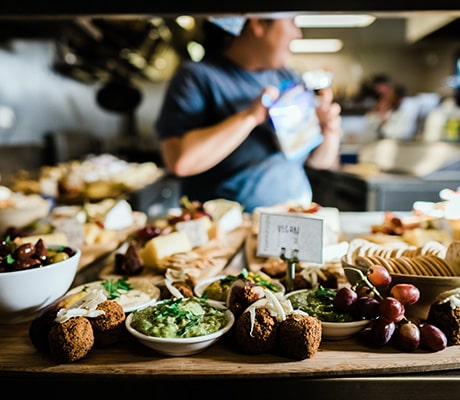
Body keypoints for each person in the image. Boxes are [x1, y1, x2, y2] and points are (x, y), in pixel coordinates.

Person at [155, 17, 342, 212]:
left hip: (295, 216)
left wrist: (329, 130)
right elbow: (179, 161)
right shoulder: (197, 77)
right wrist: (251, 116)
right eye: (292, 22)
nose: (298, 33)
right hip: (227, 228)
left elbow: (319, 161)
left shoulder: (288, 78)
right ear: (258, 24)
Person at [363, 74, 419, 141]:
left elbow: (399, 134)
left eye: (389, 99)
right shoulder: (382, 112)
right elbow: (368, 126)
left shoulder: (404, 113)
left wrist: (385, 124)